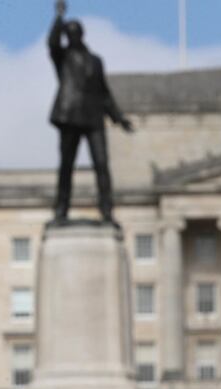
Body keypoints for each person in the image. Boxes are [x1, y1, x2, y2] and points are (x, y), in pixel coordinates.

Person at [48, 0, 133, 224]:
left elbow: (104, 93)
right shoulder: (62, 57)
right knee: (66, 166)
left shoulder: (96, 61)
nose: (72, 36)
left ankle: (106, 210)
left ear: (82, 34)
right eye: (69, 33)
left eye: (75, 32)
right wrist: (59, 17)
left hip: (94, 118)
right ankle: (61, 209)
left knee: (102, 165)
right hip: (69, 115)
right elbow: (52, 43)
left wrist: (118, 118)